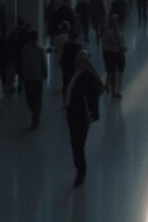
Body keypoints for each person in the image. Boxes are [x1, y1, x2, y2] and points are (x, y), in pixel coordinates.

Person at [64, 50, 103, 186]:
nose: (77, 62)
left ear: (85, 62)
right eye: (77, 59)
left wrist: (91, 114)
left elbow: (94, 98)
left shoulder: (89, 77)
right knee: (75, 142)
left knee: (78, 144)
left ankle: (81, 171)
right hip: (72, 112)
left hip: (82, 115)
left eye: (81, 60)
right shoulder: (73, 72)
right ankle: (78, 166)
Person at [20, 30, 47, 128]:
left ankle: (35, 119)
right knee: (30, 99)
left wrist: (45, 73)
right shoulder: (25, 49)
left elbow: (43, 62)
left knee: (37, 99)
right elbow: (23, 62)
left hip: (36, 77)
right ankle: (34, 112)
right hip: (29, 77)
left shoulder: (39, 50)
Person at [102, 14, 127, 99]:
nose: (116, 22)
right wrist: (113, 49)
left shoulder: (120, 31)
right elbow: (105, 46)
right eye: (114, 20)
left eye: (117, 20)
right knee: (112, 74)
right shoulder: (107, 32)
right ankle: (113, 91)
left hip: (120, 54)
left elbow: (123, 42)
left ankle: (118, 91)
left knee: (120, 73)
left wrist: (123, 48)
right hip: (111, 55)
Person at [59, 30, 82, 102]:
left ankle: (65, 99)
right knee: (74, 82)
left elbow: (62, 55)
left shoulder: (66, 45)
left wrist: (61, 62)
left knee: (65, 82)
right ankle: (73, 99)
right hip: (74, 67)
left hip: (65, 66)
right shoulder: (78, 46)